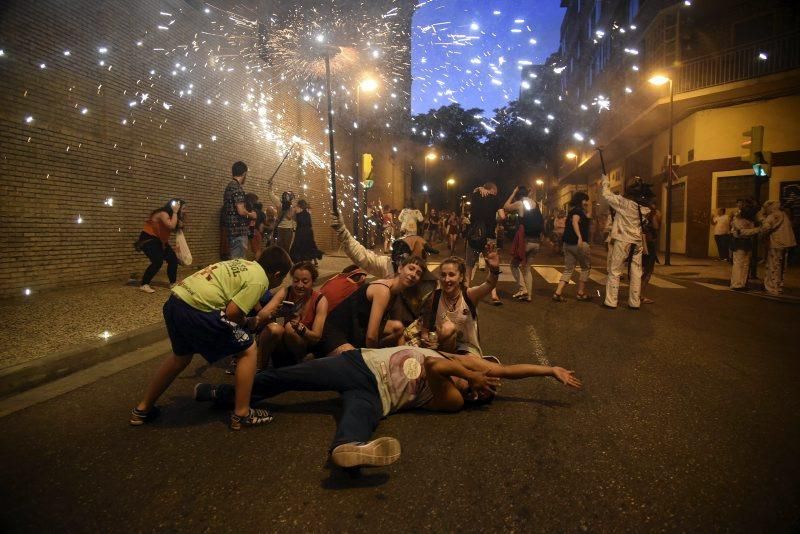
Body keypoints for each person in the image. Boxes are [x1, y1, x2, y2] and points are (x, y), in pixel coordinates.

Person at [194, 346, 582, 468]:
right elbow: (509, 370)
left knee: (357, 421)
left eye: (482, 393)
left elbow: (434, 367)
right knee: (288, 378)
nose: (481, 387)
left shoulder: (453, 400)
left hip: (375, 397)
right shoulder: (468, 363)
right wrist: (549, 370)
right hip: (359, 363)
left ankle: (347, 450)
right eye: (485, 383)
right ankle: (219, 394)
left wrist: (473, 380)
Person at [129, 246, 292, 430]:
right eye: (283, 277)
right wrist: (249, 323)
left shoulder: (244, 264)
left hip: (176, 302)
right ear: (277, 274)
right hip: (198, 309)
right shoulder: (260, 280)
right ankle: (242, 413)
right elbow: (232, 313)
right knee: (248, 349)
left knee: (180, 358)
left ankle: (142, 409)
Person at [315, 256, 427, 357]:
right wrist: (375, 360)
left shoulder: (397, 294)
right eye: (411, 268)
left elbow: (399, 330)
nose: (413, 275)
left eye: (418, 273)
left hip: (357, 330)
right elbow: (371, 336)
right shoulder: (383, 290)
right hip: (335, 331)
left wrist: (404, 357)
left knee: (398, 327)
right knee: (355, 360)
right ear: (400, 268)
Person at [419, 253, 500, 355]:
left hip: (467, 348)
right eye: (443, 275)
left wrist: (494, 270)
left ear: (461, 277)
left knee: (472, 365)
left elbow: (489, 284)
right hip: (442, 346)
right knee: (448, 328)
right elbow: (425, 328)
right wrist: (426, 339)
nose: (446, 279)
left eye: (451, 274)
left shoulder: (469, 295)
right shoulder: (434, 297)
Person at [253, 261, 328, 368]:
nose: (299, 285)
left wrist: (300, 328)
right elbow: (262, 314)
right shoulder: (286, 291)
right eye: (296, 281)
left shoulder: (320, 300)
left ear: (313, 282)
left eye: (305, 281)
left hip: (304, 348)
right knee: (273, 328)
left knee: (289, 327)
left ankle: (299, 366)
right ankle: (260, 369)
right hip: (283, 344)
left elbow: (316, 337)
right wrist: (273, 314)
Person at [602, 175, 651, 309]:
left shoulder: (624, 203)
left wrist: (606, 181)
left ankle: (611, 301)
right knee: (636, 272)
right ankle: (634, 302)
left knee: (615, 271)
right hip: (637, 242)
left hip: (623, 240)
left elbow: (606, 195)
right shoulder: (644, 207)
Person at [732, 199, 797, 295]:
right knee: (779, 265)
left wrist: (761, 219)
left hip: (776, 243)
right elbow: (741, 232)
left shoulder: (774, 215)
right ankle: (738, 284)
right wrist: (757, 230)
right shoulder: (781, 214)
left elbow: (766, 227)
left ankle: (771, 286)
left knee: (773, 265)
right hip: (743, 243)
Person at [136, 199, 186, 293]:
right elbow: (171, 226)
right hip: (149, 240)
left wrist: (180, 222)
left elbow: (175, 229)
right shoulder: (163, 213)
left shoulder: (172, 216)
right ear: (176, 208)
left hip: (160, 242)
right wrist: (175, 213)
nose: (185, 210)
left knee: (173, 260)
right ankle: (144, 284)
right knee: (157, 261)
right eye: (183, 208)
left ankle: (172, 283)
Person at [504, 186, 544, 302]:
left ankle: (523, 289)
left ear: (518, 195)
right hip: (536, 242)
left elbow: (506, 206)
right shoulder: (535, 204)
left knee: (514, 265)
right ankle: (529, 296)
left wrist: (513, 192)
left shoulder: (520, 203)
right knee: (527, 268)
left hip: (525, 242)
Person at [553, 192, 592, 302]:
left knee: (568, 269)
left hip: (567, 244)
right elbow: (575, 222)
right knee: (585, 268)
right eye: (585, 200)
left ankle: (558, 292)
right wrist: (579, 237)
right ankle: (580, 293)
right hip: (579, 243)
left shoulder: (572, 211)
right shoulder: (577, 211)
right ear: (580, 200)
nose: (586, 202)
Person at [466, 182, 504, 286]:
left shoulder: (475, 195)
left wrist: (479, 188)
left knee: (469, 265)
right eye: (495, 192)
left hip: (474, 235)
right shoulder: (496, 199)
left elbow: (474, 192)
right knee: (492, 265)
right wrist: (495, 220)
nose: (495, 194)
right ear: (492, 189)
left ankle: (467, 288)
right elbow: (502, 216)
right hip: (489, 236)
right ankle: (493, 293)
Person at [222, 161, 257, 259]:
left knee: (235, 261)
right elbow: (241, 211)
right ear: (244, 173)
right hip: (238, 232)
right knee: (239, 263)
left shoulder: (229, 186)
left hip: (231, 231)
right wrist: (251, 215)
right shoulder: (237, 188)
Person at [640, 201, 662, 304]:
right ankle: (640, 295)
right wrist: (656, 215)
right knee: (647, 273)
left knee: (639, 271)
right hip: (648, 247)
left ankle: (636, 294)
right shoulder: (653, 216)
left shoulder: (640, 217)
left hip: (640, 246)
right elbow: (657, 227)